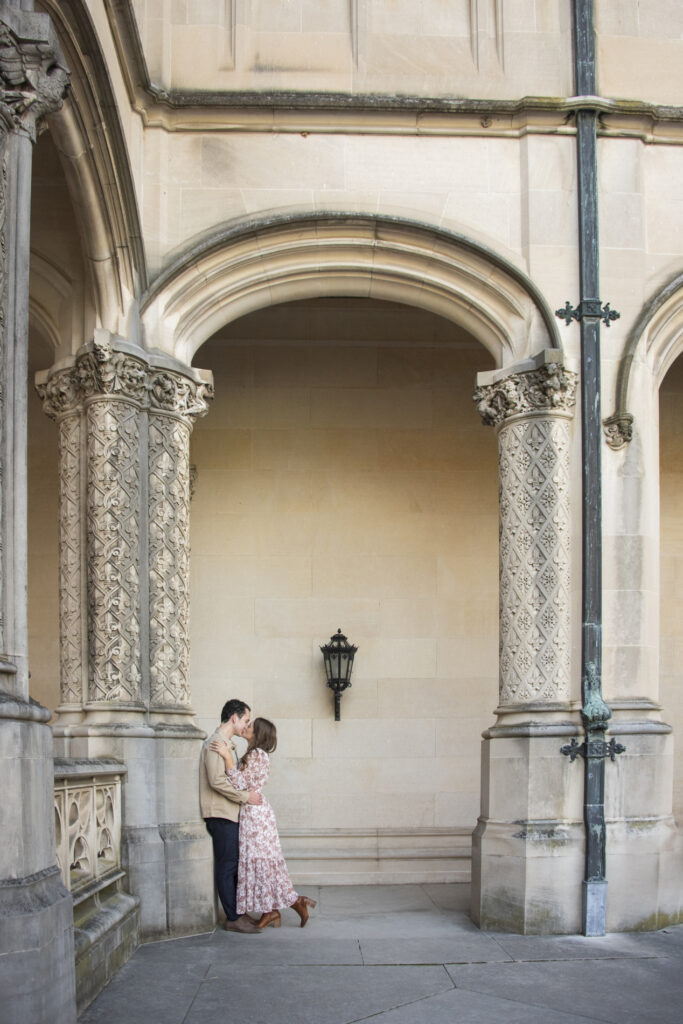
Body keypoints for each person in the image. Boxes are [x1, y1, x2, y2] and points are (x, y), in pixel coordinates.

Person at [211, 717, 316, 929]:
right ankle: (273, 911)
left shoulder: (258, 755)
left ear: (258, 734)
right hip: (253, 812)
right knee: (261, 864)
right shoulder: (254, 754)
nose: (247, 727)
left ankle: (293, 903)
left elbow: (240, 784)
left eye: (250, 726)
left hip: (255, 814)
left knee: (261, 862)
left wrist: (227, 758)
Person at [200, 698, 264, 934]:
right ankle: (233, 917)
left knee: (234, 865)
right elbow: (216, 781)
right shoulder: (216, 743)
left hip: (229, 813)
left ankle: (238, 913)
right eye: (245, 720)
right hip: (220, 814)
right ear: (234, 717)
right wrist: (245, 797)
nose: (245, 726)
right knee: (227, 866)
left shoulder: (225, 743)